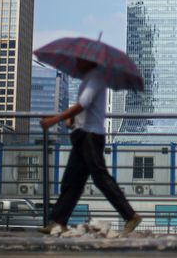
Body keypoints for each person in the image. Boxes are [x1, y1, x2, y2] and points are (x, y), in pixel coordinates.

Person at [38, 59, 142, 236]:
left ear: (89, 62)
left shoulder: (95, 79)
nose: (76, 63)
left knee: (100, 177)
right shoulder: (90, 80)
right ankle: (58, 222)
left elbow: (82, 104)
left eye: (80, 61)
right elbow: (84, 109)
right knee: (72, 181)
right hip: (83, 136)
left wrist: (54, 120)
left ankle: (130, 215)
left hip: (90, 137)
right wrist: (72, 120)